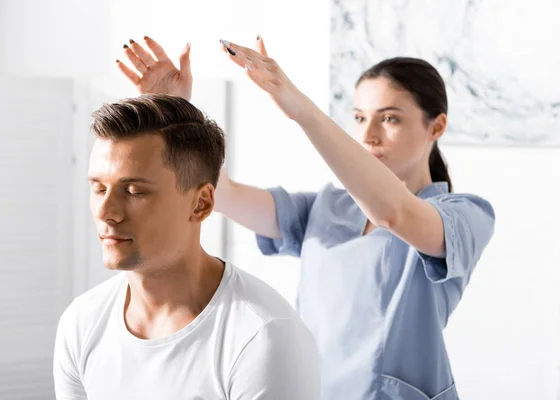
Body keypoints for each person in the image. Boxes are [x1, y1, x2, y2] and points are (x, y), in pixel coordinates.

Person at [116, 36, 494, 400]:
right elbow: (222, 193)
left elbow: (393, 213)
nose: (369, 135)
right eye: (360, 117)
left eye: (390, 119)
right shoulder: (327, 207)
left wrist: (303, 111)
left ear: (437, 126)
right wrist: (174, 116)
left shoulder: (465, 216)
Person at [53, 92, 320, 399]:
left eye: (135, 191)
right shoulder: (81, 322)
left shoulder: (263, 337)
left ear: (201, 204)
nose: (105, 211)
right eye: (98, 188)